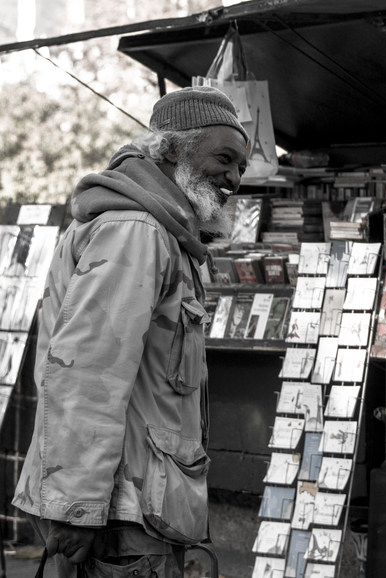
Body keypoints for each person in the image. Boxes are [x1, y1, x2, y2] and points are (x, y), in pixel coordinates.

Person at [12, 86, 249, 578]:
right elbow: (87, 372)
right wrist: (76, 506)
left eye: (241, 167)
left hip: (136, 508)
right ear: (171, 149)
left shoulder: (162, 232)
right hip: (117, 514)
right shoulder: (136, 230)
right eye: (225, 158)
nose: (234, 178)